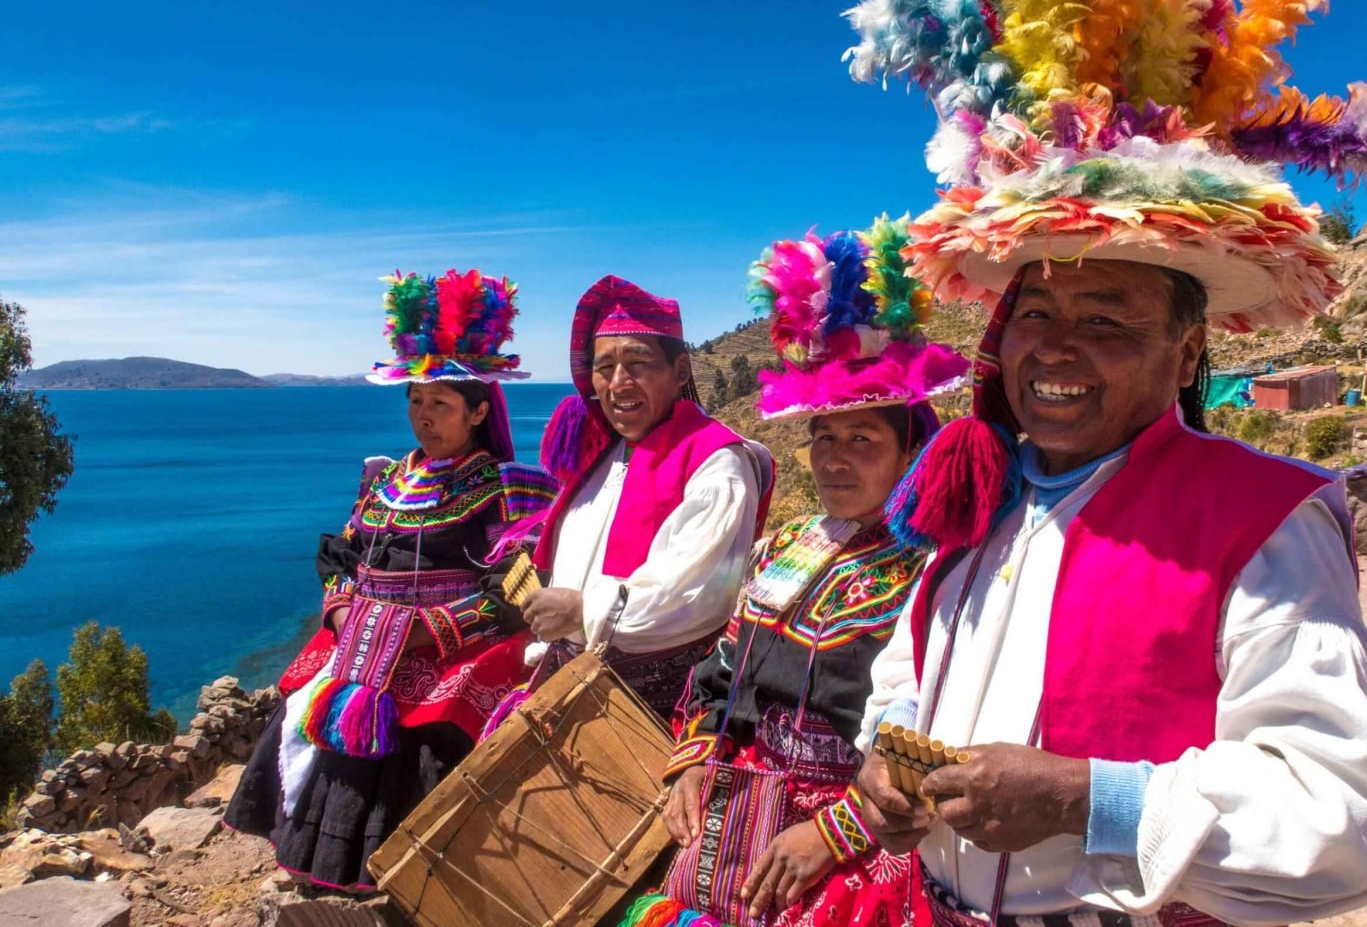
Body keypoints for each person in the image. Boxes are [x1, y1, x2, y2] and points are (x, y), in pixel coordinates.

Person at [841, 0, 1367, 925]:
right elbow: (911, 663)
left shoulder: (1262, 520)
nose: (1057, 349)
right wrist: (893, 742)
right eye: (1037, 314)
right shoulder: (980, 491)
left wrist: (1091, 797)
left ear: (1186, 352)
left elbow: (1356, 814)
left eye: (1106, 318)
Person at [621, 217, 967, 927]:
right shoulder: (782, 549)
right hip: (738, 807)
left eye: (863, 438)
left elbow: (938, 723)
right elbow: (720, 670)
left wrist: (835, 832)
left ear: (910, 451)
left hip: (856, 839)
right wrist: (690, 761)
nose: (837, 457)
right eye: (823, 437)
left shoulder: (935, 570)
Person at [224, 269, 559, 891]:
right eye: (415, 401)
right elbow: (342, 557)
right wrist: (339, 612)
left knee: (427, 732)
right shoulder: (386, 480)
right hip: (361, 636)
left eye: (441, 404)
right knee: (305, 702)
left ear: (478, 411)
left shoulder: (508, 487)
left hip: (447, 646)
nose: (423, 417)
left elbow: (520, 586)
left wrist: (424, 634)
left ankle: (416, 879)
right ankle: (317, 865)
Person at [518, 275, 773, 719]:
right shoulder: (605, 453)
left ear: (679, 372)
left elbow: (697, 595)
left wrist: (582, 609)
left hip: (649, 716)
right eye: (604, 367)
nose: (619, 383)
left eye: (637, 363)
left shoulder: (717, 465)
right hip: (569, 685)